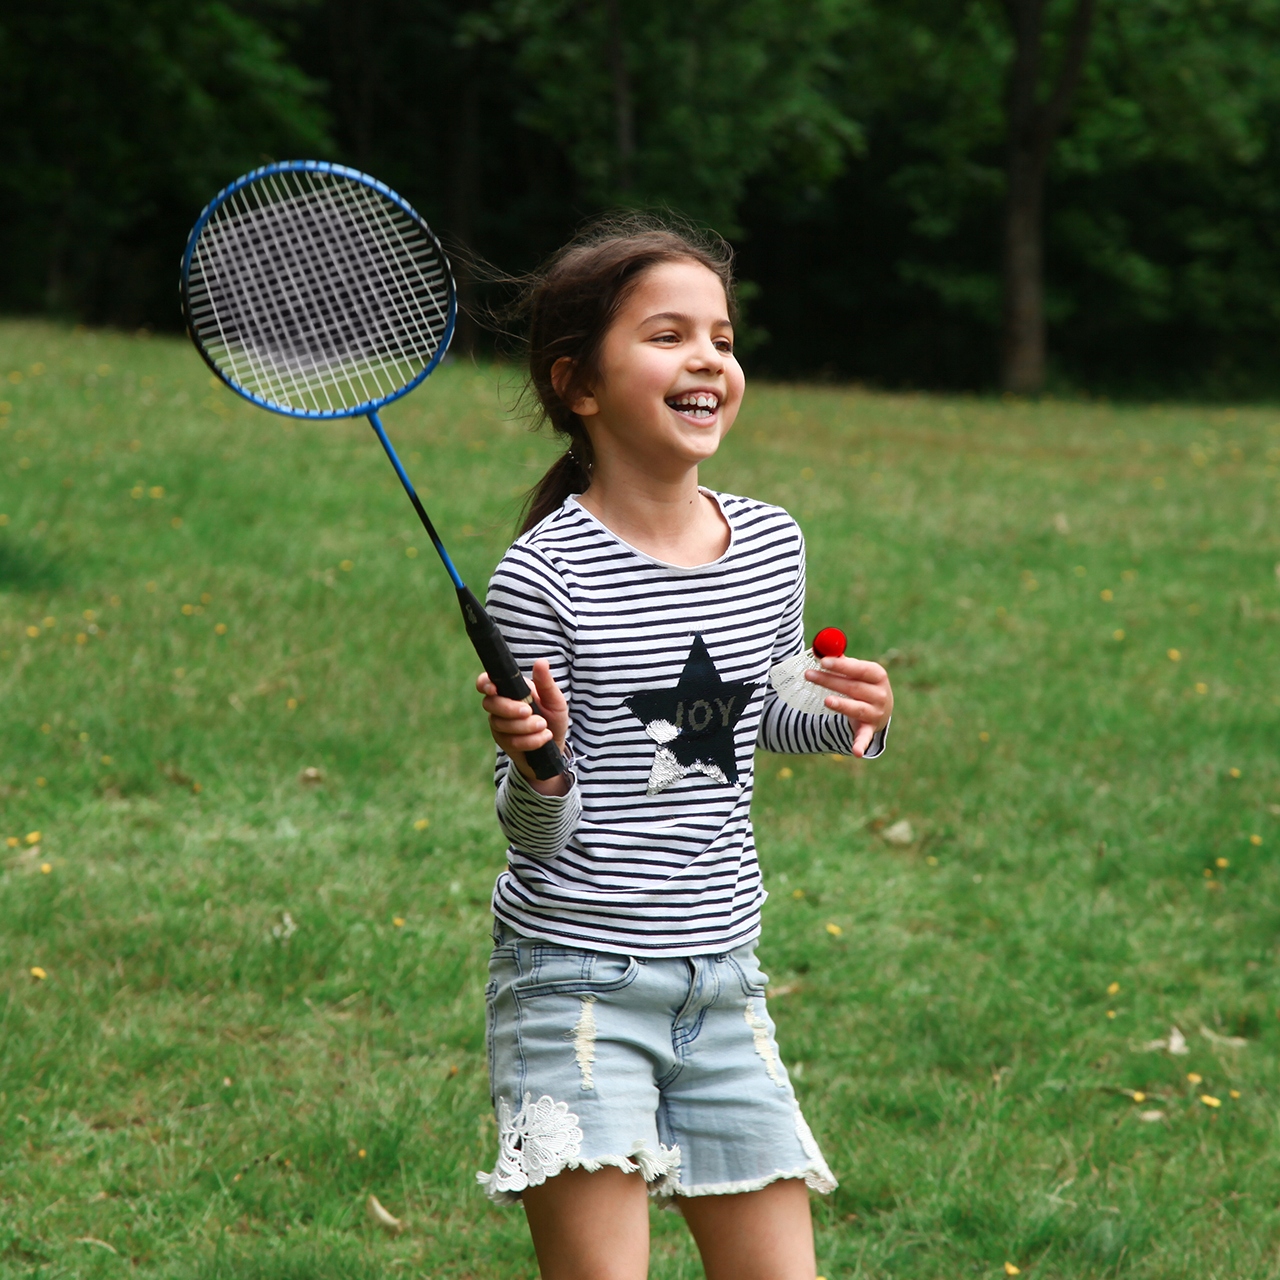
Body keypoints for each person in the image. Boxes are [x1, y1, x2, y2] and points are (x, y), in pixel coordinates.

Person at [472, 215, 894, 1280]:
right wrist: (538, 763)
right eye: (667, 335)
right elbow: (533, 834)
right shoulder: (543, 575)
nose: (707, 356)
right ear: (579, 384)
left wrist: (852, 712)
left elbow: (762, 713)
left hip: (723, 980)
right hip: (575, 986)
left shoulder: (768, 540)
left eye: (720, 333)